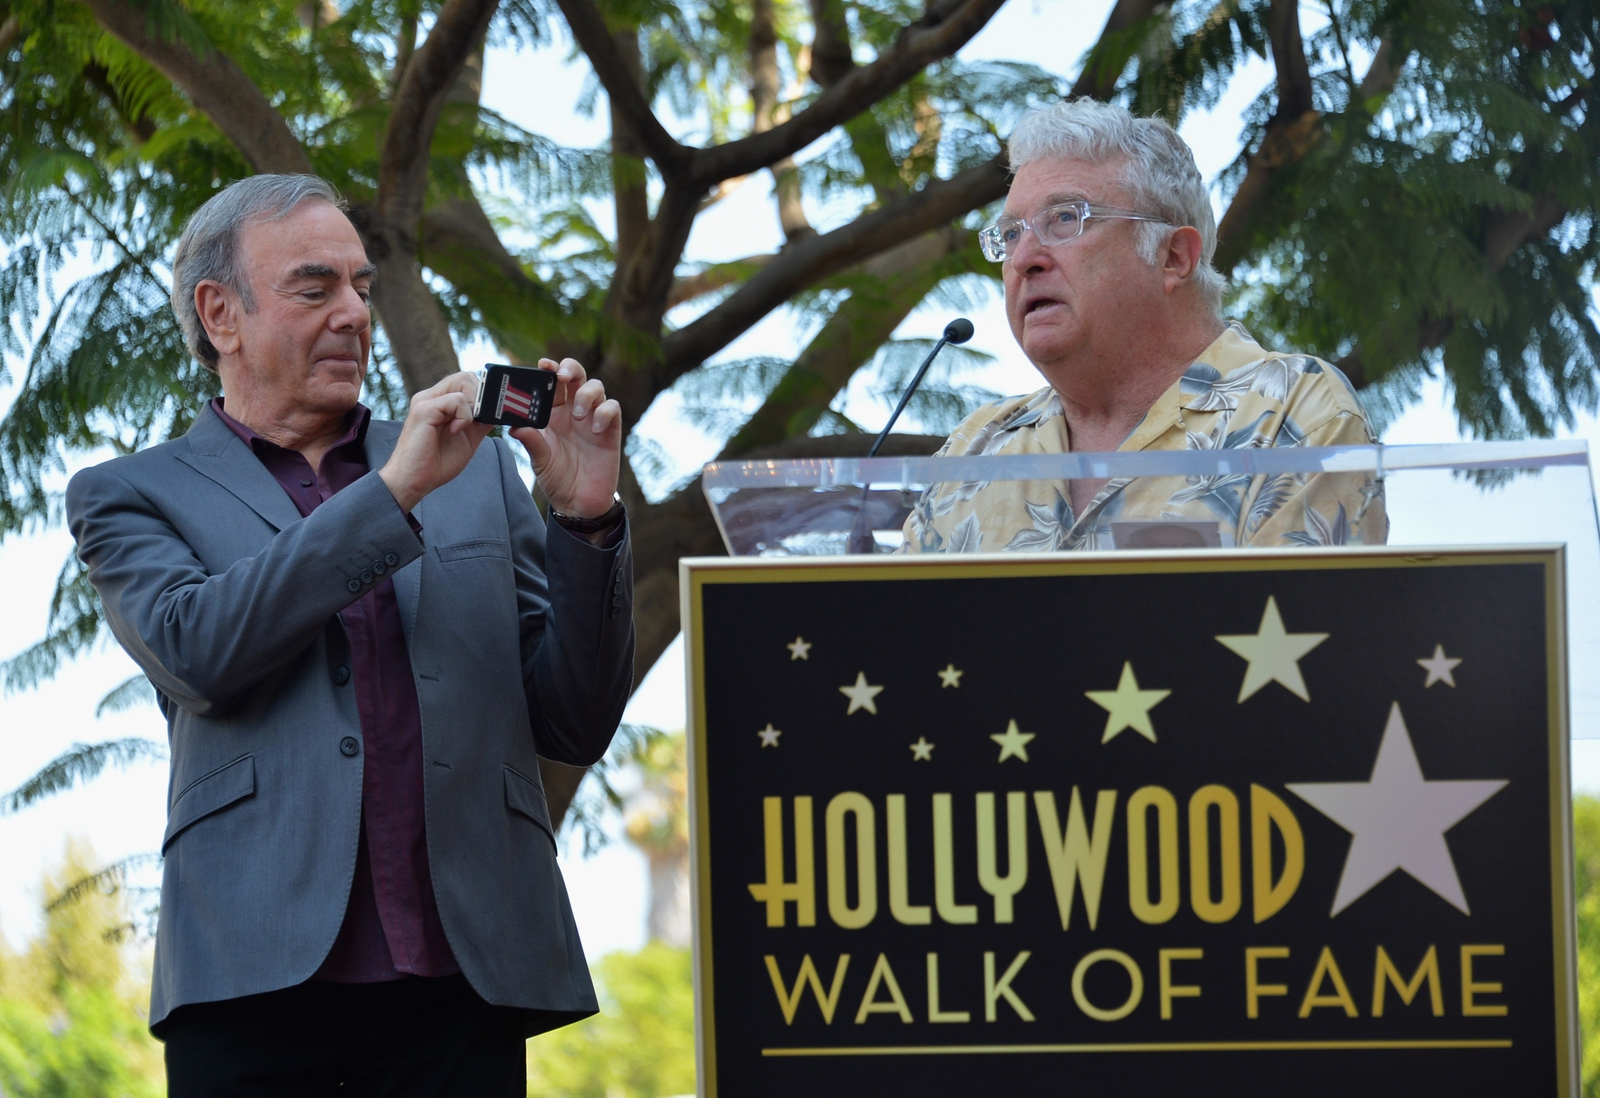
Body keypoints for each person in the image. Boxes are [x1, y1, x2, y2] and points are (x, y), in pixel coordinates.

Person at [65, 174, 634, 1095]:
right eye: (314, 287)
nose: (354, 314)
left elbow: (574, 721)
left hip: (463, 982)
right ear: (221, 314)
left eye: (363, 287)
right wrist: (393, 494)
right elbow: (197, 653)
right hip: (253, 988)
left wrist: (585, 522)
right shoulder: (129, 492)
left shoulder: (481, 476)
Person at [902, 98, 1386, 553]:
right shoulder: (977, 446)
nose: (1024, 258)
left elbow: (1295, 632)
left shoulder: (1293, 411)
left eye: (1065, 218)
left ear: (1174, 257)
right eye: (1010, 234)